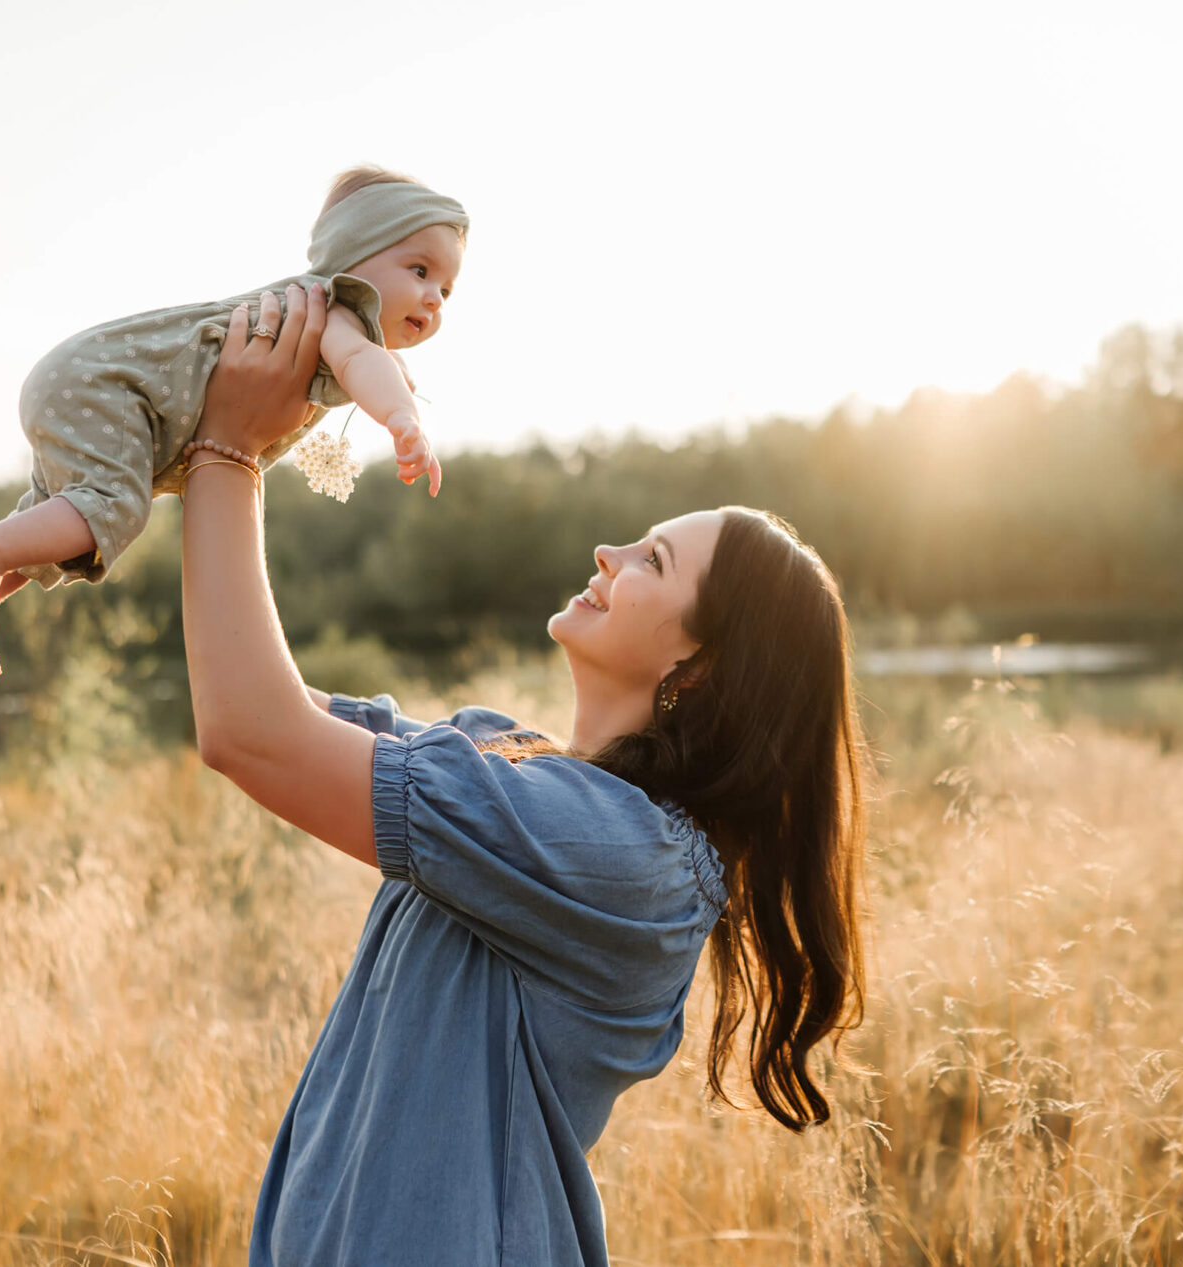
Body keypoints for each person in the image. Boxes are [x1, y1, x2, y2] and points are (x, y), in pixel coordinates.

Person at [181, 284, 869, 1266]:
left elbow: (249, 732)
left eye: (651, 559)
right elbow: (250, 697)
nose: (608, 549)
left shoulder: (628, 855)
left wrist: (228, 451)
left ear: (697, 665)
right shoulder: (513, 764)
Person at [0, 166, 467, 679]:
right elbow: (359, 362)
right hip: (113, 389)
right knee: (113, 507)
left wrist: (396, 378)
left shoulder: (333, 324)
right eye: (420, 271)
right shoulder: (334, 308)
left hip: (90, 384)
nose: (432, 298)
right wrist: (403, 419)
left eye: (445, 291)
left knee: (67, 516)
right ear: (355, 255)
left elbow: (374, 363)